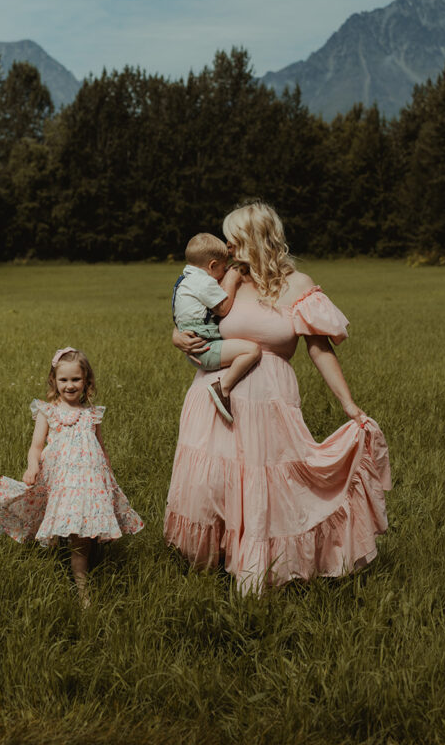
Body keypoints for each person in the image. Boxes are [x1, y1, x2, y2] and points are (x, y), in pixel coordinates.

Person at [164, 201, 391, 595]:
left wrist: (348, 404)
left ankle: (255, 571)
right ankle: (211, 567)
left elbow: (319, 349)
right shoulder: (224, 281)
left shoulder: (298, 285)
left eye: (233, 241)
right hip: (214, 393)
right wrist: (174, 336)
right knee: (214, 485)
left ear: (254, 239)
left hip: (269, 401)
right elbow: (190, 320)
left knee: (262, 484)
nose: (227, 251)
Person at [0, 347, 143, 605]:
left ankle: (82, 585)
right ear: (53, 380)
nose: (69, 385)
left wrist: (107, 477)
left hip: (89, 483)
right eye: (63, 380)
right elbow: (36, 446)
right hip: (61, 481)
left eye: (76, 379)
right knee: (65, 522)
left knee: (82, 536)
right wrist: (32, 466)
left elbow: (101, 448)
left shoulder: (92, 414)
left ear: (86, 381)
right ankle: (64, 553)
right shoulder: (48, 411)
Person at [172, 232, 261, 422]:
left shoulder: (184, 280)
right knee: (252, 351)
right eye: (223, 267)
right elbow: (222, 308)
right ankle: (224, 387)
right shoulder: (203, 282)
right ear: (212, 265)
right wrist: (231, 278)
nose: (227, 269)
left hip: (198, 342)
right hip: (206, 346)